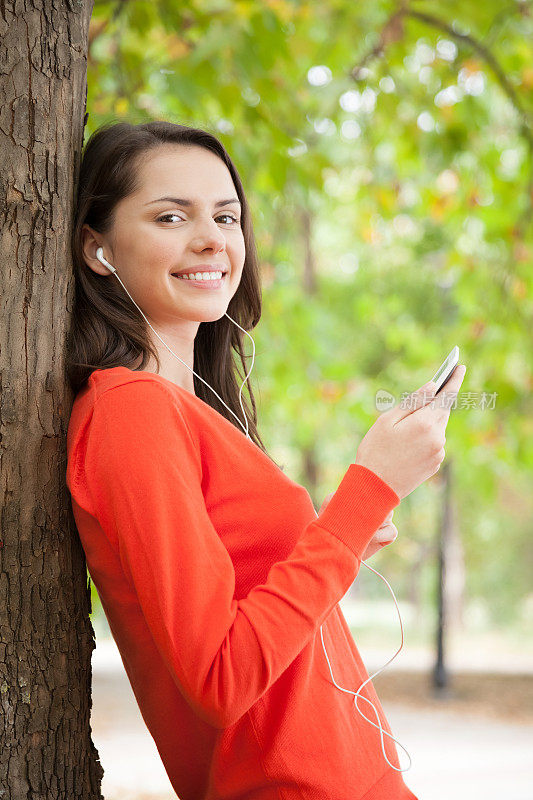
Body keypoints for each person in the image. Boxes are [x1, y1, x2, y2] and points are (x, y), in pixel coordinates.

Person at [66, 119, 464, 799]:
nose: (212, 239)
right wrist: (367, 490)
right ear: (97, 249)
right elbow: (219, 682)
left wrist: (341, 540)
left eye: (226, 216)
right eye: (171, 216)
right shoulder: (130, 413)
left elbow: (253, 609)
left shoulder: (187, 411)